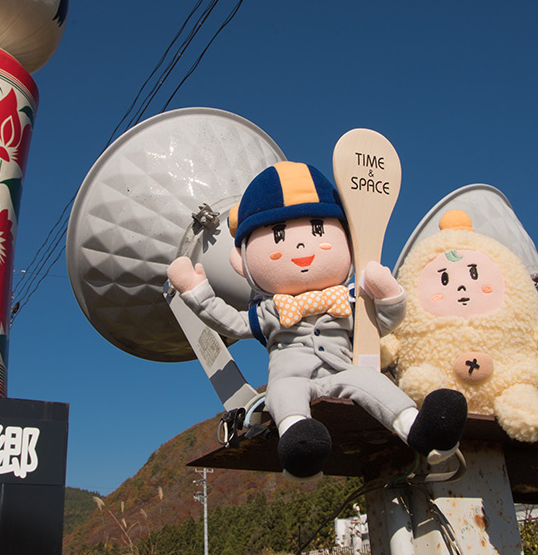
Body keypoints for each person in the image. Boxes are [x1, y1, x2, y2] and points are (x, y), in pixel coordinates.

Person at [167, 161, 467, 480]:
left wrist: (390, 296)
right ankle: (301, 445)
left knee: (372, 381)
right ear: (241, 261)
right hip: (291, 376)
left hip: (344, 371)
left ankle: (420, 430)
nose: (300, 245)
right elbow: (233, 324)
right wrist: (197, 292)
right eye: (278, 235)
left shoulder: (349, 298)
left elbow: (381, 324)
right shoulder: (271, 310)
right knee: (282, 393)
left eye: (319, 229)